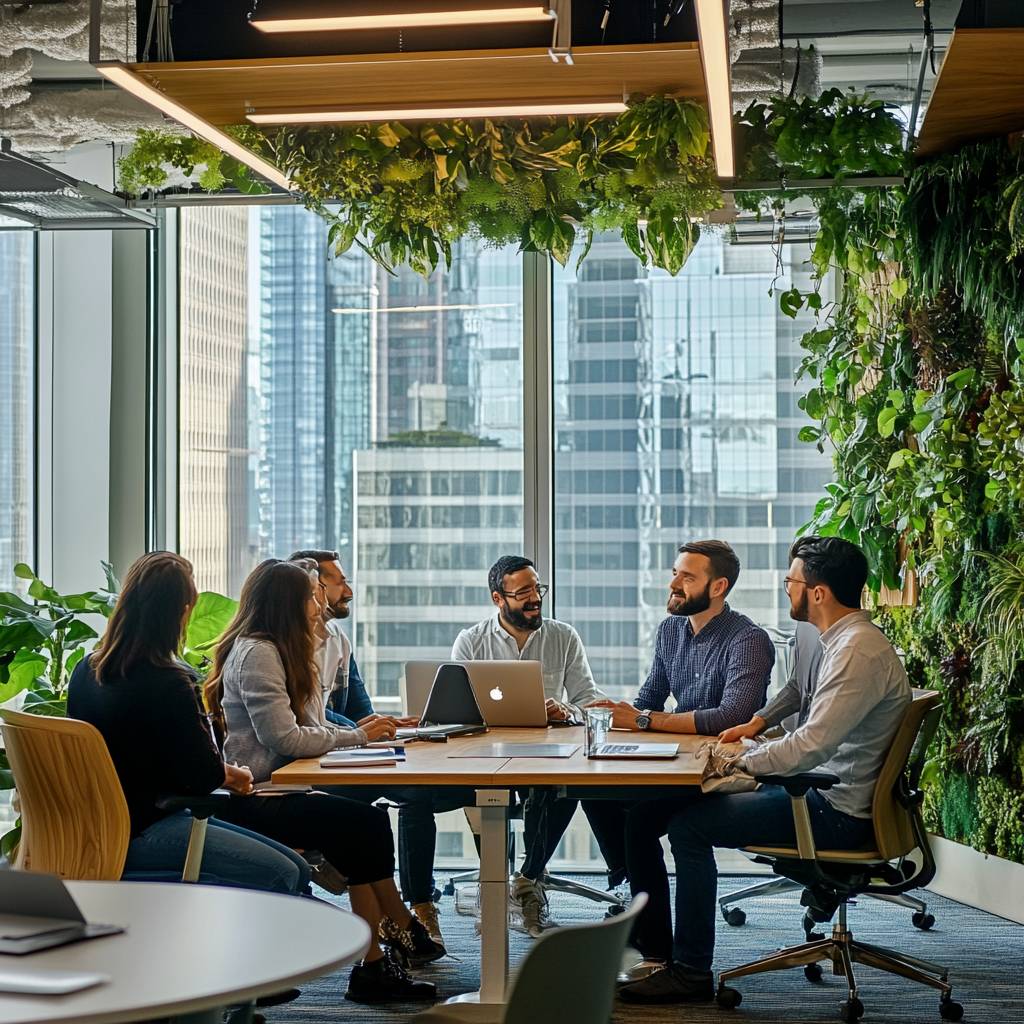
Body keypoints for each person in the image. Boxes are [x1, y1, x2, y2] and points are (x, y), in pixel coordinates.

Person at [618, 536, 911, 1004]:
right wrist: (758, 723)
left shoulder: (857, 651)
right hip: (818, 788)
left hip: (834, 807)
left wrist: (740, 759)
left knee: (687, 827)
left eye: (791, 581)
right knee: (646, 816)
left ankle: (690, 971)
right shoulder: (824, 634)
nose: (785, 588)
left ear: (818, 592)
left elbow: (810, 748)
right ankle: (652, 950)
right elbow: (798, 688)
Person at [203, 559, 440, 1004]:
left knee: (361, 826)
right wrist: (358, 736)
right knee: (362, 826)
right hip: (257, 795)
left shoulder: (286, 649)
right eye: (312, 596)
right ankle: (394, 932)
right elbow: (287, 738)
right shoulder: (259, 653)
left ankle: (377, 957)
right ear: (286, 603)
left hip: (285, 786)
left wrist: (351, 733)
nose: (319, 604)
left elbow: (309, 726)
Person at [67, 551, 311, 896]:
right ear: (180, 613)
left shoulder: (86, 670)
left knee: (297, 868)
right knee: (287, 872)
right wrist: (232, 774)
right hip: (144, 828)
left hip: (87, 830)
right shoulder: (170, 682)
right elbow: (201, 777)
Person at [589, 540, 775, 978]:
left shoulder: (748, 639)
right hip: (677, 760)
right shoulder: (670, 631)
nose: (673, 583)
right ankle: (638, 906)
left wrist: (644, 721)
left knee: (643, 821)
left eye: (687, 577)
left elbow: (733, 716)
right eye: (675, 572)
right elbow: (649, 699)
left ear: (718, 586)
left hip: (717, 772)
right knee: (595, 789)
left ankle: (656, 949)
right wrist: (613, 718)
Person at [289, 548, 474, 953]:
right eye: (337, 583)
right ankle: (395, 921)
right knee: (375, 816)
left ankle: (420, 906)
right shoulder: (287, 646)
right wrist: (362, 732)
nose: (348, 590)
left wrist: (386, 726)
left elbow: (358, 709)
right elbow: (308, 719)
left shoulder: (337, 639)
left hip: (341, 754)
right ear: (313, 589)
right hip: (307, 762)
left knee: (418, 791)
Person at [451, 554, 622, 937]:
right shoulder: (471, 641)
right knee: (474, 784)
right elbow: (456, 710)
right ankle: (496, 882)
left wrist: (566, 709)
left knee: (563, 782)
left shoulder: (563, 637)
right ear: (499, 598)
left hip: (549, 751)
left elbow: (589, 700)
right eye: (523, 592)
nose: (535, 599)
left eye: (538, 589)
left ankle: (527, 880)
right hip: (488, 751)